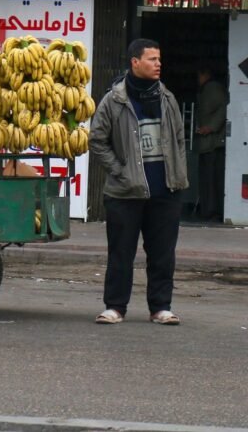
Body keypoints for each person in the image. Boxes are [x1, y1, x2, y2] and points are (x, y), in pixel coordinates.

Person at [89, 39, 188, 326]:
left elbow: (180, 139)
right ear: (135, 62)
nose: (158, 64)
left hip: (165, 191)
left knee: (162, 255)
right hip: (124, 192)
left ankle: (161, 308)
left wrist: (178, 175)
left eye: (159, 59)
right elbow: (97, 140)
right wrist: (119, 170)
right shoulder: (114, 100)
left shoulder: (167, 98)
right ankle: (115, 307)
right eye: (152, 59)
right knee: (121, 253)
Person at [195, 66, 228, 222]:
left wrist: (211, 127)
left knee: (211, 179)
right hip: (208, 143)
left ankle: (212, 210)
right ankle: (209, 209)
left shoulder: (212, 89)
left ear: (205, 74)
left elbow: (223, 108)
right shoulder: (207, 89)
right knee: (209, 178)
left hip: (212, 143)